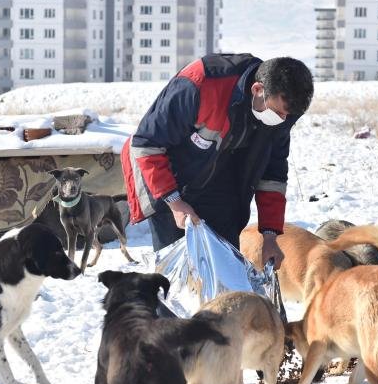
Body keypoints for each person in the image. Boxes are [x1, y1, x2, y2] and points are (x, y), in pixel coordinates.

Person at [121, 53, 314, 269]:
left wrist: (270, 234)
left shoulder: (282, 115)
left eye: (288, 116)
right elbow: (146, 144)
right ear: (257, 90)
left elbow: (273, 175)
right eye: (278, 113)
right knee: (176, 276)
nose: (283, 120)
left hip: (222, 187)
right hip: (168, 180)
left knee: (225, 271)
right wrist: (174, 201)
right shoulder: (201, 85)